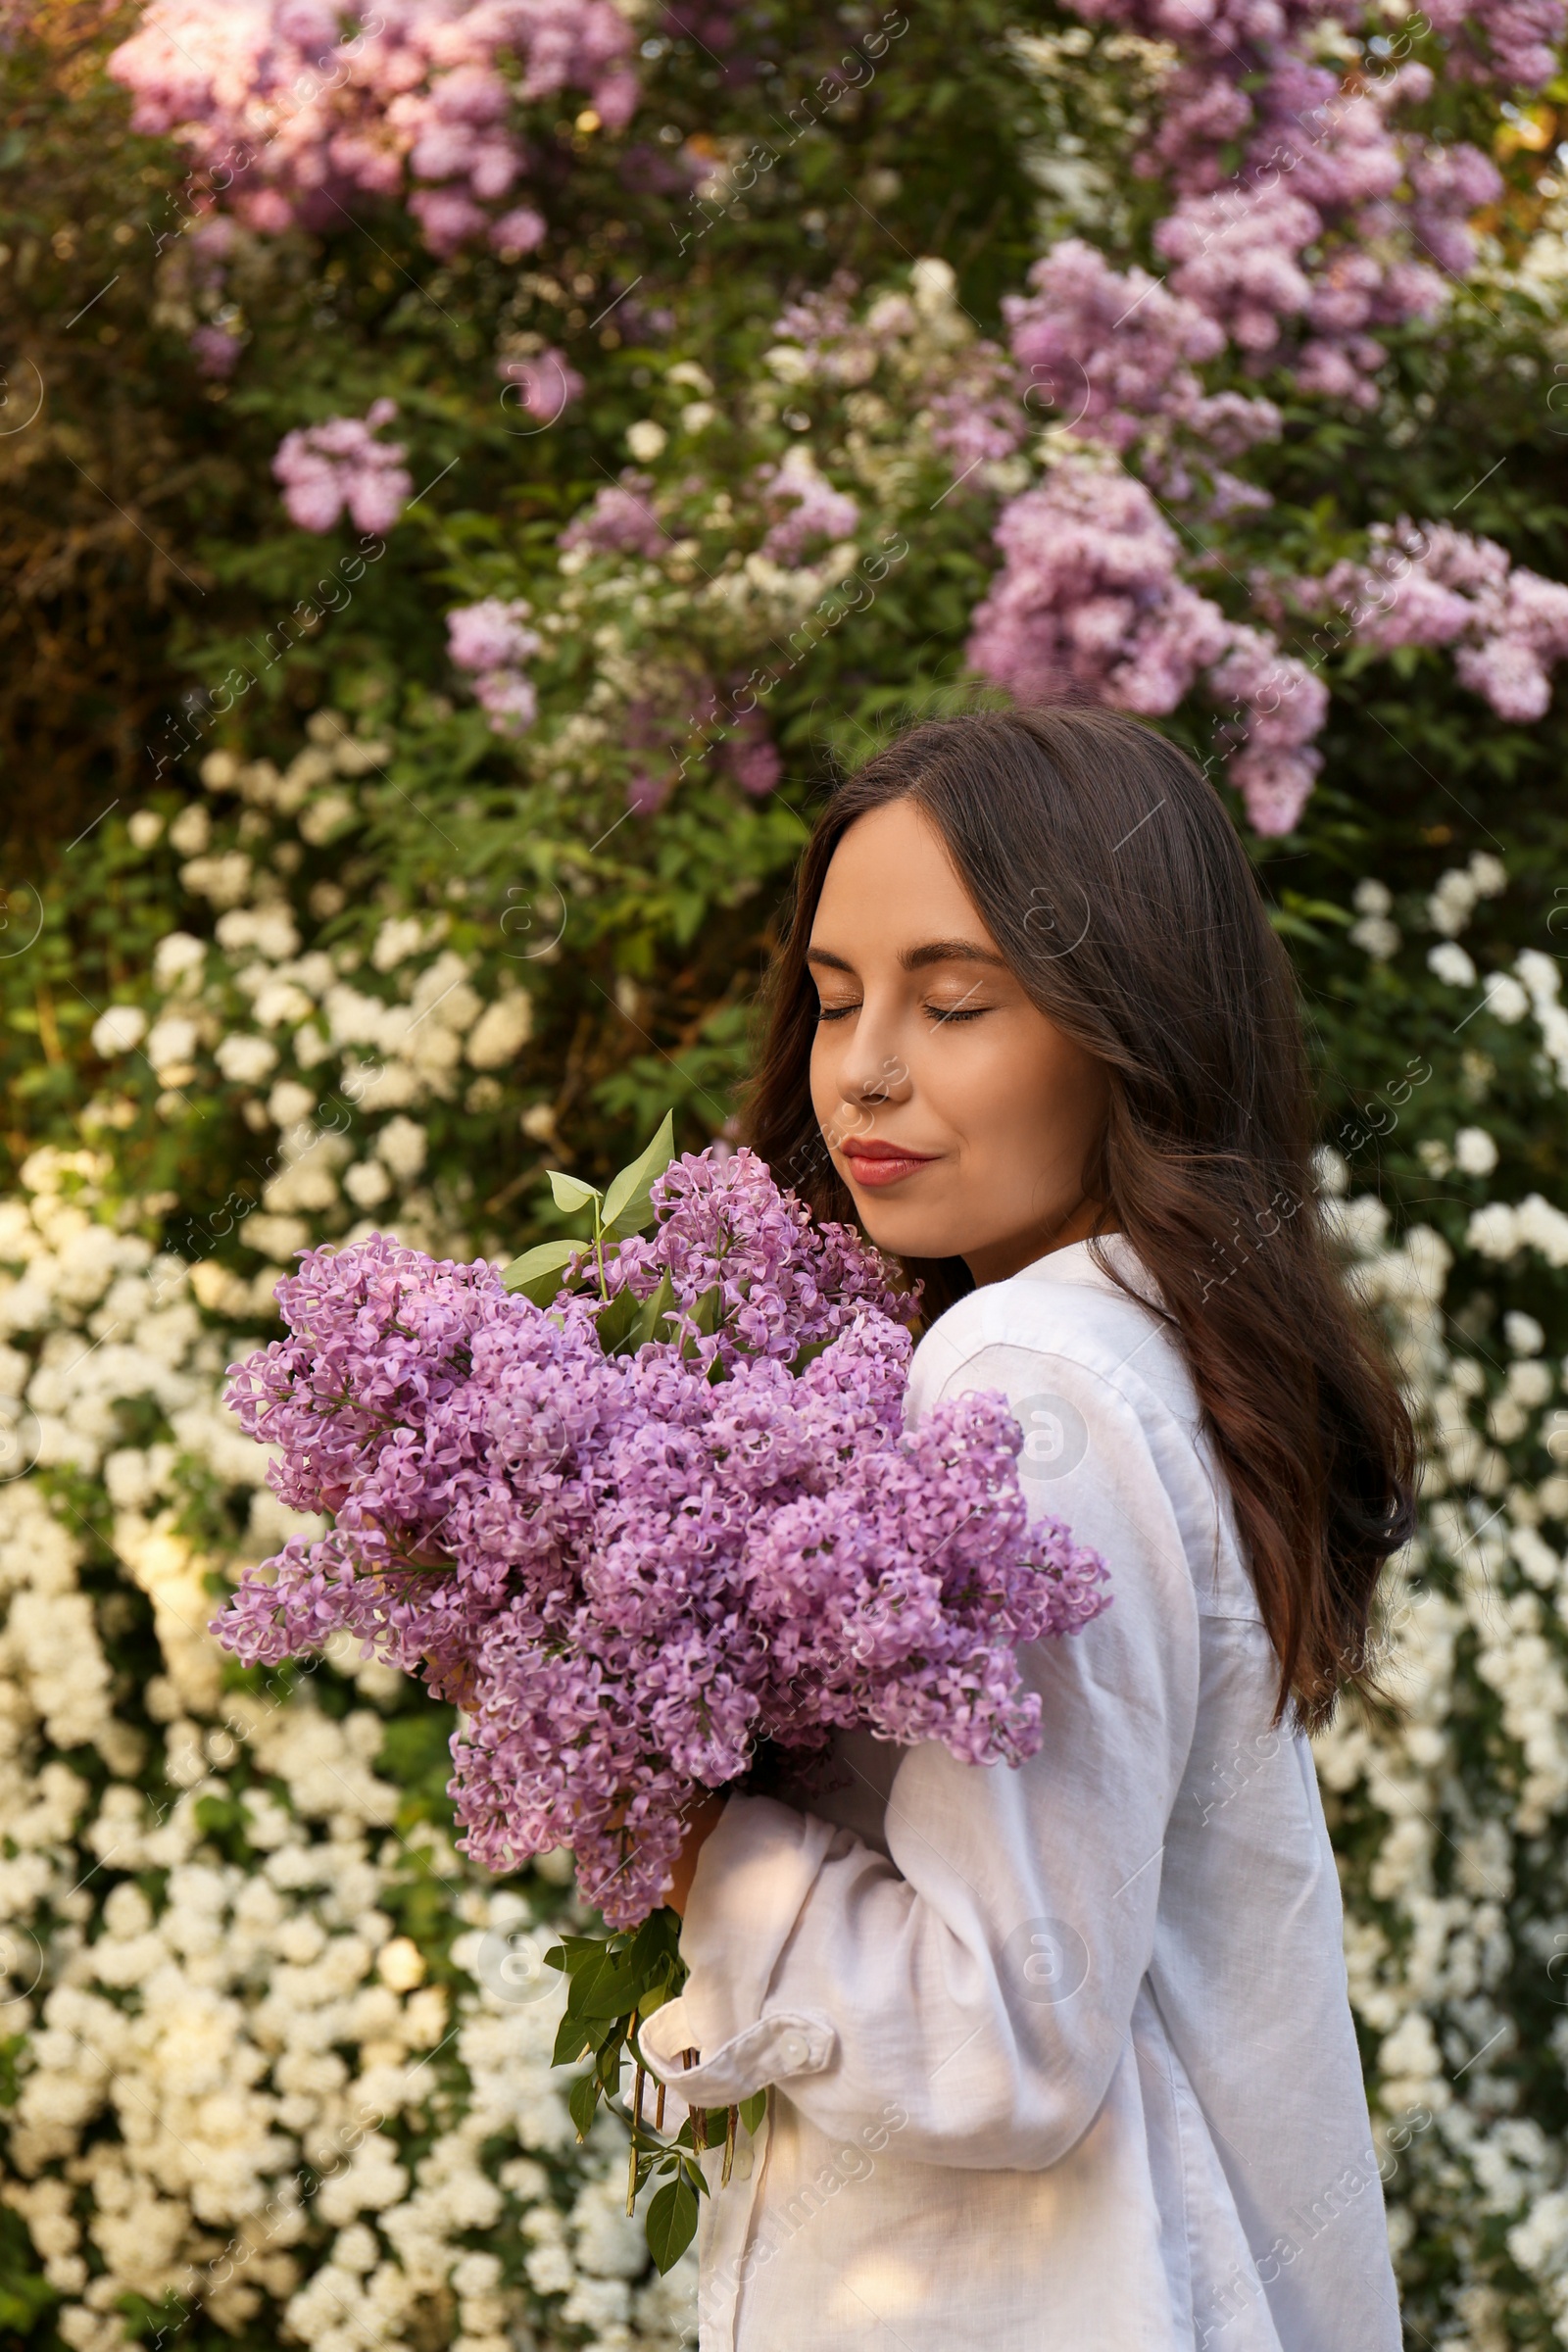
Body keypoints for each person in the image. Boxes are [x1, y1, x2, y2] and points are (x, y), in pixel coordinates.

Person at [637, 707, 1414, 2352]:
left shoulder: (1025, 1368)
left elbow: (1003, 2034)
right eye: (837, 999)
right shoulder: (1156, 1343)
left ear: (1132, 1023)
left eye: (958, 1000)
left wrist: (704, 1842)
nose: (864, 1068)